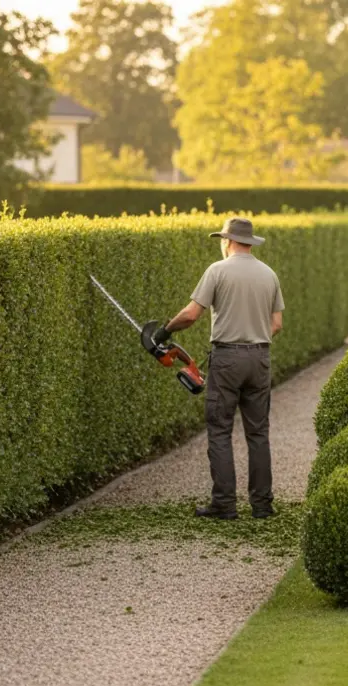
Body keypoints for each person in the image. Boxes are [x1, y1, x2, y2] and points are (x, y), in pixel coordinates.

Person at [151, 217, 283, 519]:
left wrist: (164, 331)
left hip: (227, 358)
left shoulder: (217, 270)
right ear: (249, 242)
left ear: (228, 241)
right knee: (258, 433)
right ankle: (262, 505)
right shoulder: (269, 274)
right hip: (260, 358)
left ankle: (224, 503)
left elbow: (190, 315)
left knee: (221, 430)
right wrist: (253, 336)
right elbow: (276, 324)